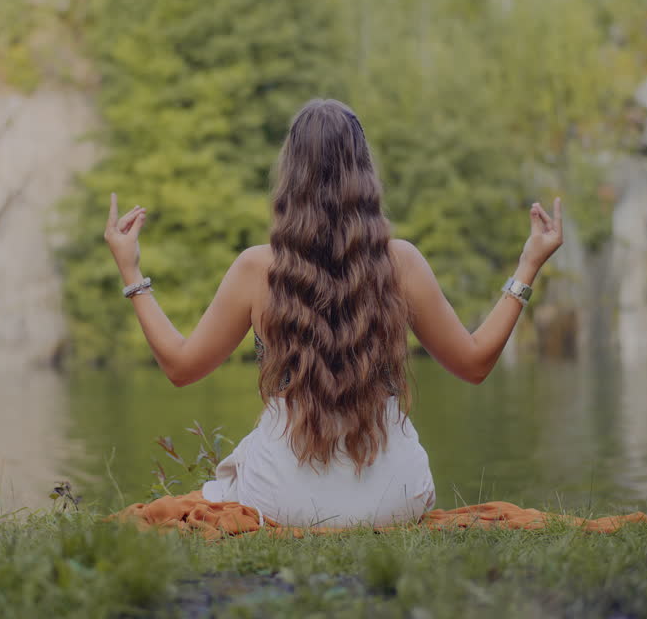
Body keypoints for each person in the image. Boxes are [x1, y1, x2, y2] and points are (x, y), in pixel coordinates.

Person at [103, 98, 564, 528]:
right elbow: (475, 363)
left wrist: (131, 271)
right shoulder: (400, 263)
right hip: (395, 497)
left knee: (225, 483)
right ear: (364, 173)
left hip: (281, 499)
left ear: (290, 174)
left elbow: (181, 368)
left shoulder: (256, 268)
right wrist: (528, 265)